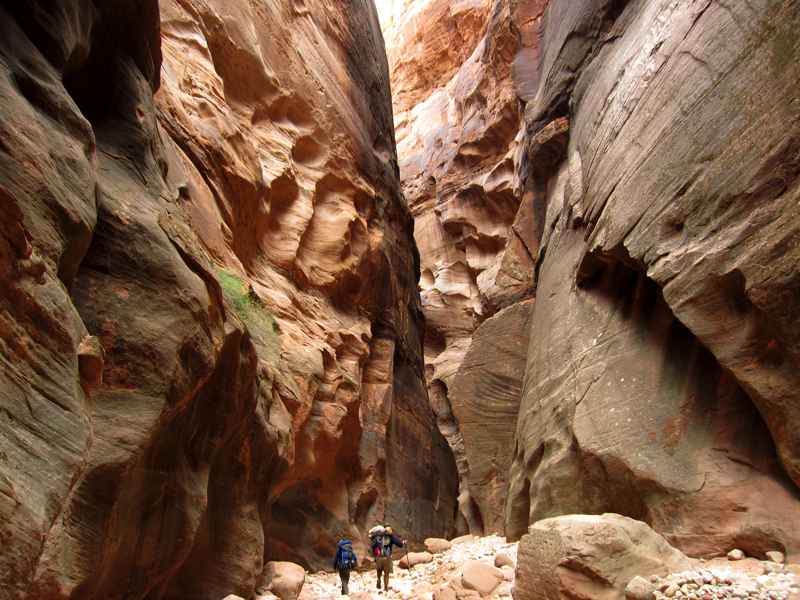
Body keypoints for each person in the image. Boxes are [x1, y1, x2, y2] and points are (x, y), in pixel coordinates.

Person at [368, 525, 405, 592]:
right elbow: (399, 544)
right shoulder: (391, 537)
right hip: (387, 558)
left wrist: (374, 555)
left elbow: (373, 546)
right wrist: (403, 543)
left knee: (379, 570)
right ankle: (385, 587)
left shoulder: (377, 537)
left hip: (378, 557)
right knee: (386, 573)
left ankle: (379, 579)